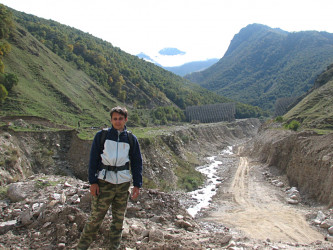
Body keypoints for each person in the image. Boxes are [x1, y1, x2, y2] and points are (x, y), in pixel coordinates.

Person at [77, 106, 143, 250]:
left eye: (120, 119)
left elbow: (137, 162)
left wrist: (137, 184)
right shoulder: (102, 136)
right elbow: (93, 159)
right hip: (104, 182)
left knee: (118, 222)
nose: (117, 122)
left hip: (123, 184)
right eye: (115, 119)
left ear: (125, 119)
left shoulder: (131, 139)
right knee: (95, 219)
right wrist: (93, 182)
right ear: (111, 120)